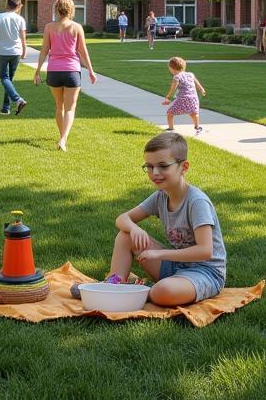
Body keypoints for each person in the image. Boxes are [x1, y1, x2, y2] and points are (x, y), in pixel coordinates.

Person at [85, 131, 226, 306]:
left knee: (163, 292)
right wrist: (134, 228)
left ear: (184, 167)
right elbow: (122, 218)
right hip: (176, 268)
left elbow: (205, 251)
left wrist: (158, 254)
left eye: (163, 166)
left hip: (205, 273)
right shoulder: (161, 196)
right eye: (149, 166)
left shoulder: (197, 202)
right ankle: (115, 284)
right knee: (125, 235)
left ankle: (137, 289)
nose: (155, 172)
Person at [35, 0, 97, 150]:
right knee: (70, 108)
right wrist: (90, 70)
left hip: (54, 71)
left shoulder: (49, 27)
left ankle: (61, 136)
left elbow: (44, 51)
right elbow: (83, 51)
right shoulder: (76, 27)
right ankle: (63, 139)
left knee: (59, 106)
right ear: (71, 10)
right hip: (72, 71)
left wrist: (37, 71)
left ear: (57, 9)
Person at [0, 0, 28, 116]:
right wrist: (24, 50)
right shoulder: (20, 19)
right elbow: (23, 37)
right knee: (9, 79)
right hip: (16, 52)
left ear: (6, 4)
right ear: (18, 6)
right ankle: (5, 108)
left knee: (4, 78)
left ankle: (18, 99)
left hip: (2, 52)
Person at [162, 57, 206, 134]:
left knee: (170, 113)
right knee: (193, 113)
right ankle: (197, 127)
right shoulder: (190, 74)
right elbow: (197, 83)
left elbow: (173, 88)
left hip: (182, 98)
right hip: (193, 98)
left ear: (172, 68)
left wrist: (168, 97)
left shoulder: (176, 77)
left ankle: (171, 129)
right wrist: (202, 89)